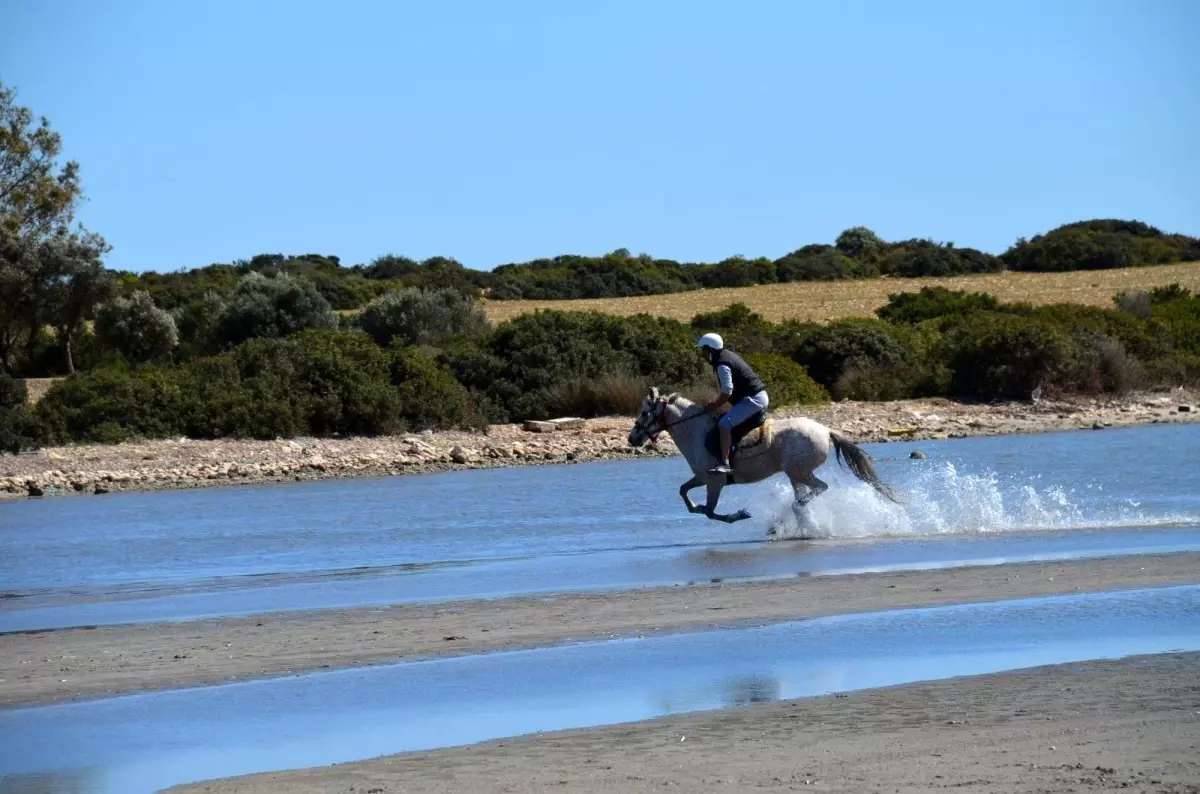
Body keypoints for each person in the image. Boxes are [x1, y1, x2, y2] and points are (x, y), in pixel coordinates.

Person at [695, 332, 769, 475]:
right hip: (754, 398)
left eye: (703, 350)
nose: (702, 354)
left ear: (711, 349)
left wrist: (714, 405)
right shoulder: (727, 355)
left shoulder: (722, 364)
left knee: (724, 424)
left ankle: (724, 463)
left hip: (754, 400)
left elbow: (727, 391)